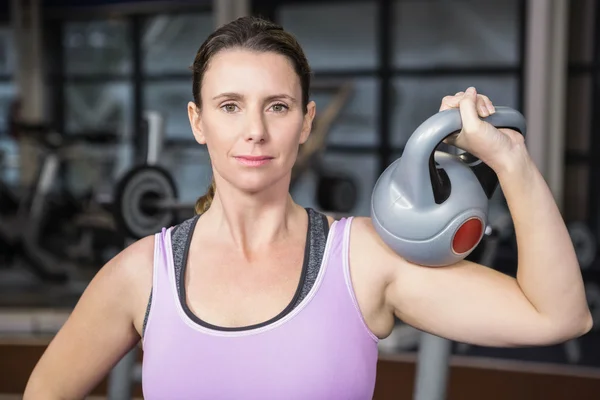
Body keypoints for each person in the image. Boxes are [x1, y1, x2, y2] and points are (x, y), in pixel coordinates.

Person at [24, 16, 592, 400]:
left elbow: (558, 316)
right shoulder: (141, 275)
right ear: (197, 122)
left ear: (306, 122)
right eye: (229, 106)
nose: (254, 131)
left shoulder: (362, 260)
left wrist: (510, 161)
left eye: (277, 106)